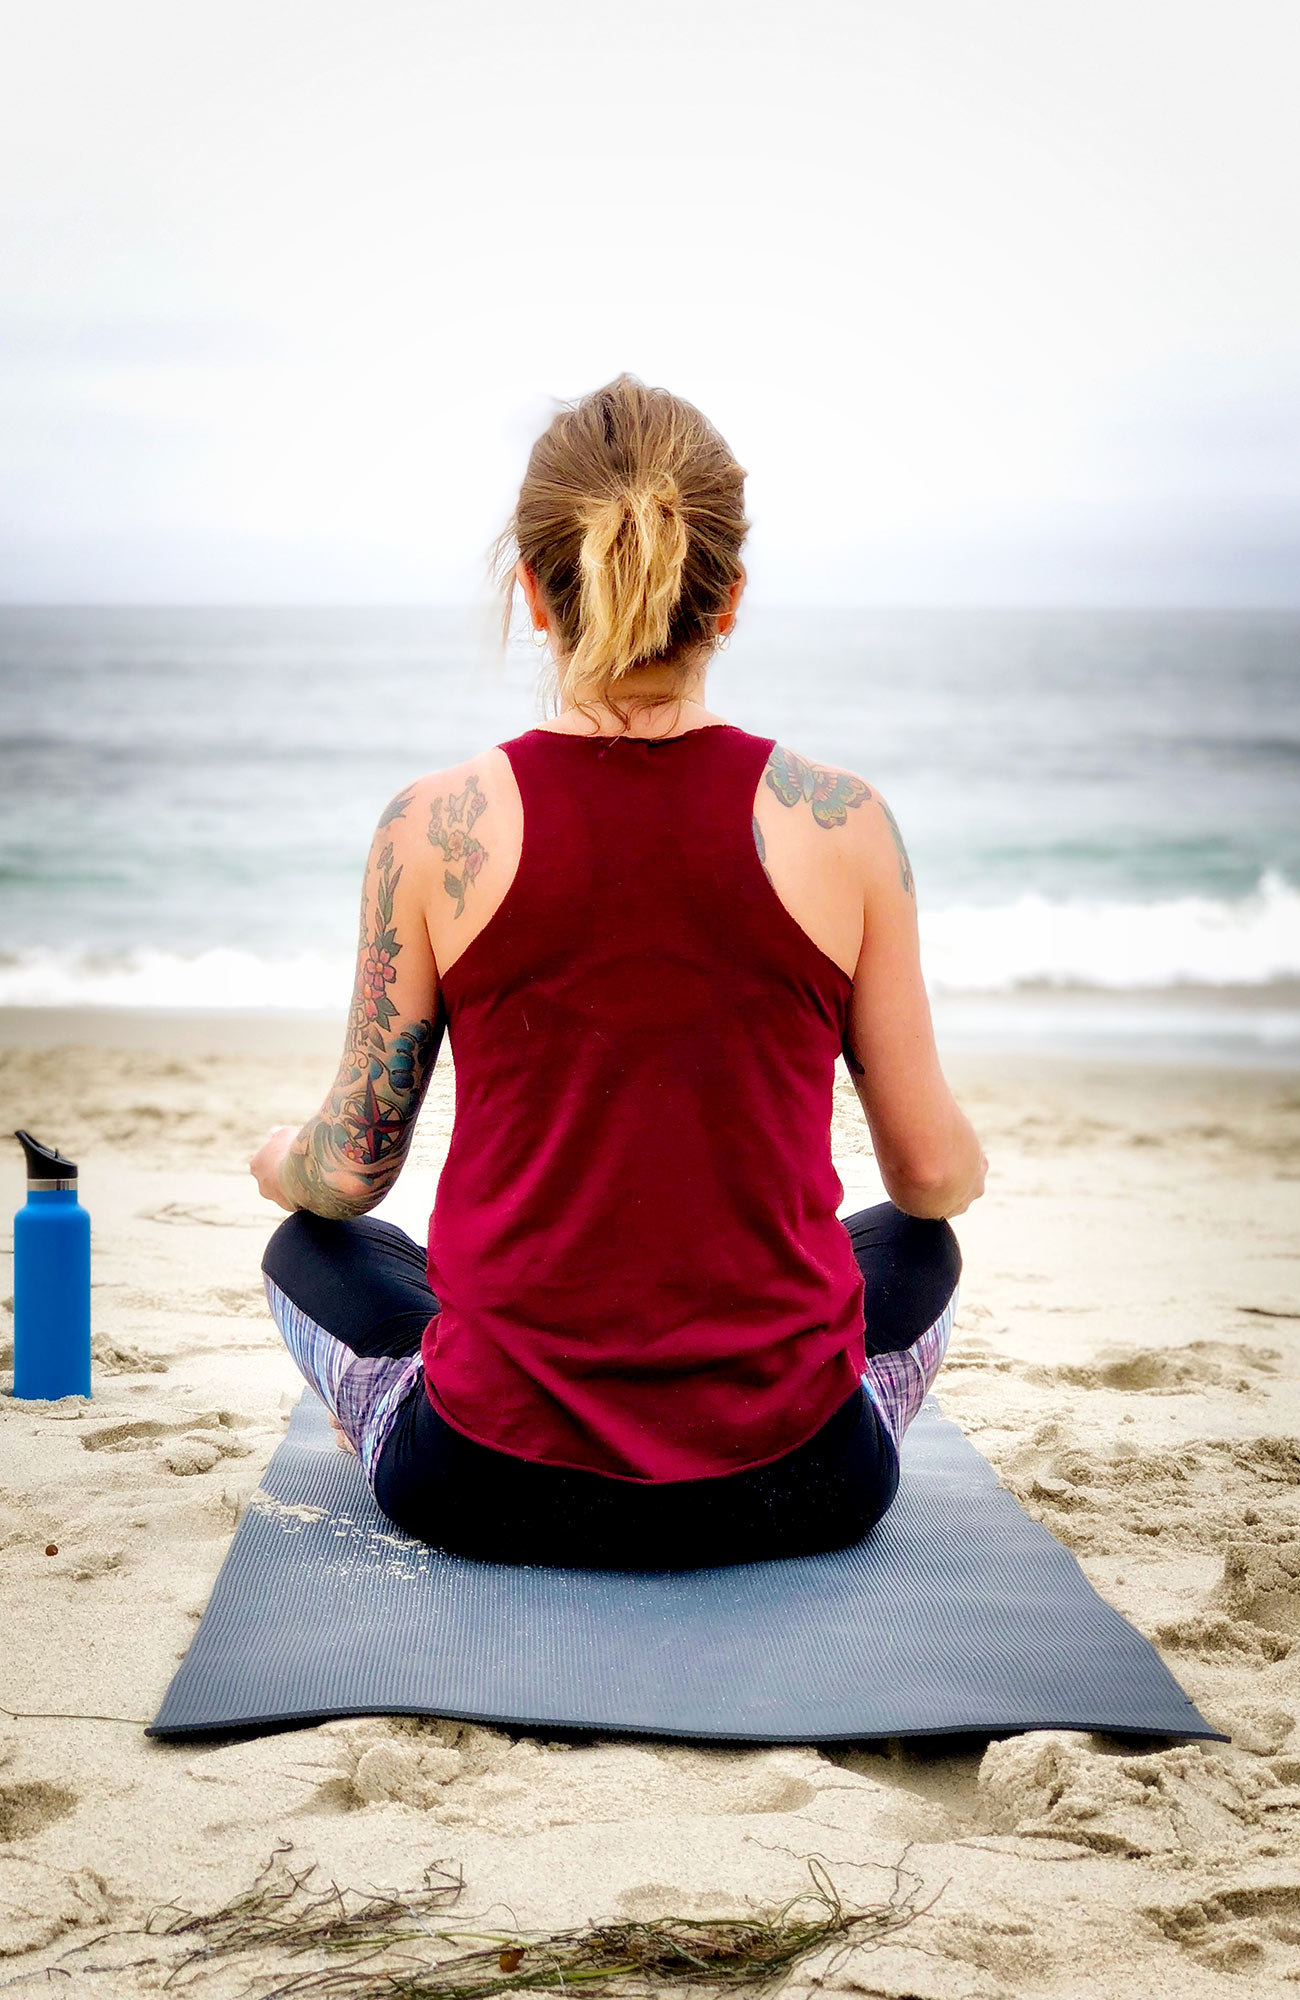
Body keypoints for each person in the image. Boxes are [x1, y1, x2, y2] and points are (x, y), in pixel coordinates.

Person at [250, 375, 986, 1570]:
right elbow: (932, 1174)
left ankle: (395, 1412)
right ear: (731, 597)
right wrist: (962, 1157)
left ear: (534, 594)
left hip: (490, 1483)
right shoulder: (845, 822)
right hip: (802, 1481)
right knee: (923, 1250)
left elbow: (351, 1171)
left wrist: (278, 1155)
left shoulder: (432, 827)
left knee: (306, 1245)